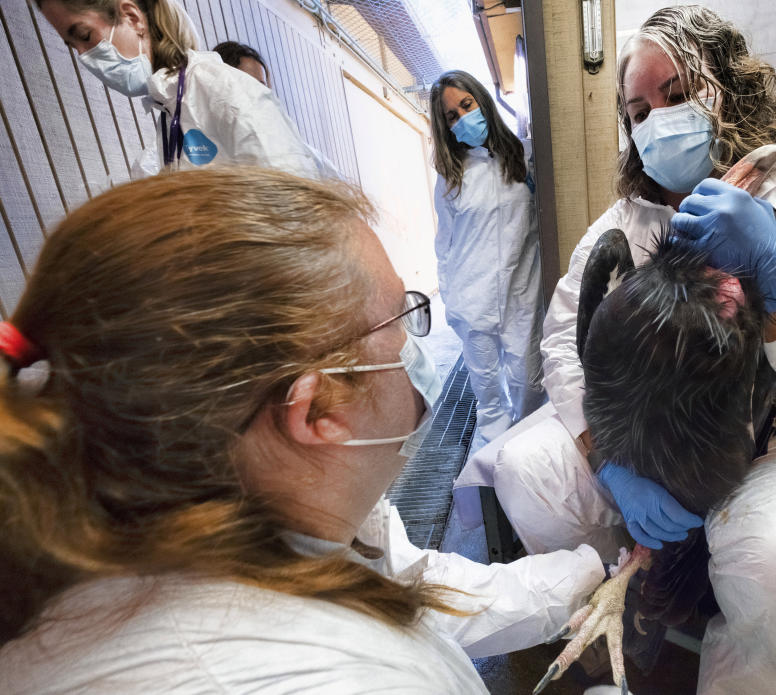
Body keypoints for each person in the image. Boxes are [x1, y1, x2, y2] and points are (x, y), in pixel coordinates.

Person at [0, 168, 607, 692]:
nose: (415, 348)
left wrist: (591, 572)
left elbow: (409, 588)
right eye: (401, 322)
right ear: (318, 412)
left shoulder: (248, 513)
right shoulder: (328, 679)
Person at [476, 6, 776, 694]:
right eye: (638, 110)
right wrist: (610, 458)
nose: (656, 120)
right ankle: (625, 611)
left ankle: (746, 670)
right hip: (647, 430)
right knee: (530, 469)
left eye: (675, 94)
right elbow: (565, 339)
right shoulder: (627, 223)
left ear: (728, 86)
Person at [38, 0, 318, 178]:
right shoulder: (170, 108)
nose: (84, 55)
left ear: (133, 18)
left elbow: (295, 204)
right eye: (73, 45)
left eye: (85, 36)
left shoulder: (219, 88)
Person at [429, 70, 546, 447]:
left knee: (529, 381)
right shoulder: (450, 178)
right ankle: (497, 460)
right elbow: (444, 244)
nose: (464, 118)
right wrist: (449, 299)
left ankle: (525, 453)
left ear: (482, 100)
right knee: (488, 395)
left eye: (467, 105)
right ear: (445, 127)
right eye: (452, 116)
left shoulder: (523, 157)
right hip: (471, 298)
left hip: (521, 294)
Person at [212, 39, 342, 181]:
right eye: (248, 83)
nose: (257, 92)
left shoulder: (296, 149)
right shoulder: (203, 143)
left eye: (261, 86)